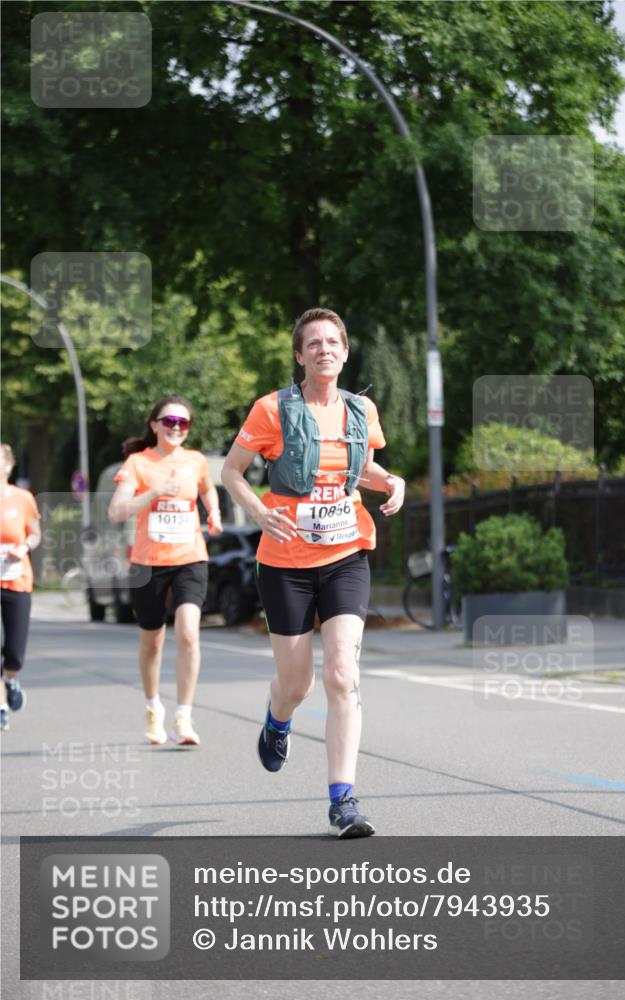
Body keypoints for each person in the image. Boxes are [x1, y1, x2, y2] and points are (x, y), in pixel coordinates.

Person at [222, 308, 405, 837]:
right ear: (300, 355)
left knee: (342, 674)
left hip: (347, 553)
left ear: (345, 353)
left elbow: (359, 467)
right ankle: (278, 719)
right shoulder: (272, 409)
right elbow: (233, 471)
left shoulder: (360, 409)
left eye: (334, 342)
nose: (325, 349)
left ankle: (342, 800)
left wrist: (393, 481)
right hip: (285, 563)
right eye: (314, 343)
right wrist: (258, 512)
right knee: (297, 683)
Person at [108, 395, 223, 747]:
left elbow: (207, 490)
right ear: (154, 425)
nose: (176, 428)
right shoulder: (138, 464)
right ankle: (152, 707)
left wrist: (213, 513)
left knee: (189, 632)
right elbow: (117, 511)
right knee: (152, 641)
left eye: (183, 423)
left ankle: (184, 716)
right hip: (148, 562)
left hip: (189, 557)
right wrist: (155, 491)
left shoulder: (196, 460)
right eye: (169, 422)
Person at [0, 443, 41, 731]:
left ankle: (10, 679)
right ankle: (1, 706)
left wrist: (24, 546)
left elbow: (35, 533)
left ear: (8, 465)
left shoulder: (23, 498)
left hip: (17, 579)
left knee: (15, 652)